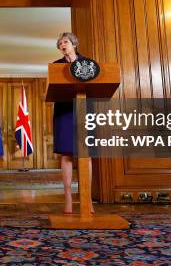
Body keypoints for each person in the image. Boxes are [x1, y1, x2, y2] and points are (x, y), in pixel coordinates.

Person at [52, 32, 93, 214]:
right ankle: (68, 197)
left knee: (85, 154)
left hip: (84, 110)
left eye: (66, 41)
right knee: (66, 155)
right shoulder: (55, 66)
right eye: (60, 43)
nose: (62, 44)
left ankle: (87, 198)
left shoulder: (88, 63)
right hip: (64, 111)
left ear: (74, 44)